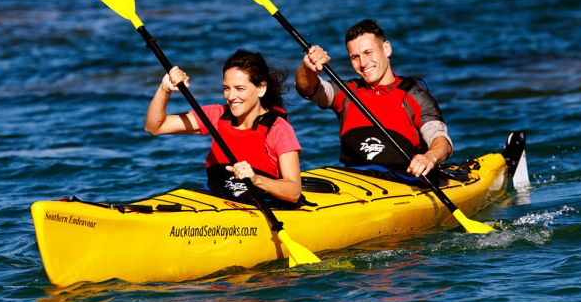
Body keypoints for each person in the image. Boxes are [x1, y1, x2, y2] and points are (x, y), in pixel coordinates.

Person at [294, 19, 452, 180]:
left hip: (404, 181)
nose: (363, 63)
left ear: (386, 48)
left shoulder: (415, 96)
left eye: (368, 53)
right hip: (355, 181)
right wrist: (308, 68)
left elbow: (441, 141)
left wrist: (430, 157)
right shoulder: (346, 93)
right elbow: (307, 89)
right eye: (355, 57)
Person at [145, 49, 302, 205]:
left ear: (261, 88)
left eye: (240, 88)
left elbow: (294, 192)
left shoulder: (278, 129)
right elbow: (155, 127)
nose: (231, 96)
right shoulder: (216, 115)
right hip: (218, 201)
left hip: (264, 205)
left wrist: (255, 179)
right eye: (226, 88)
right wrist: (164, 89)